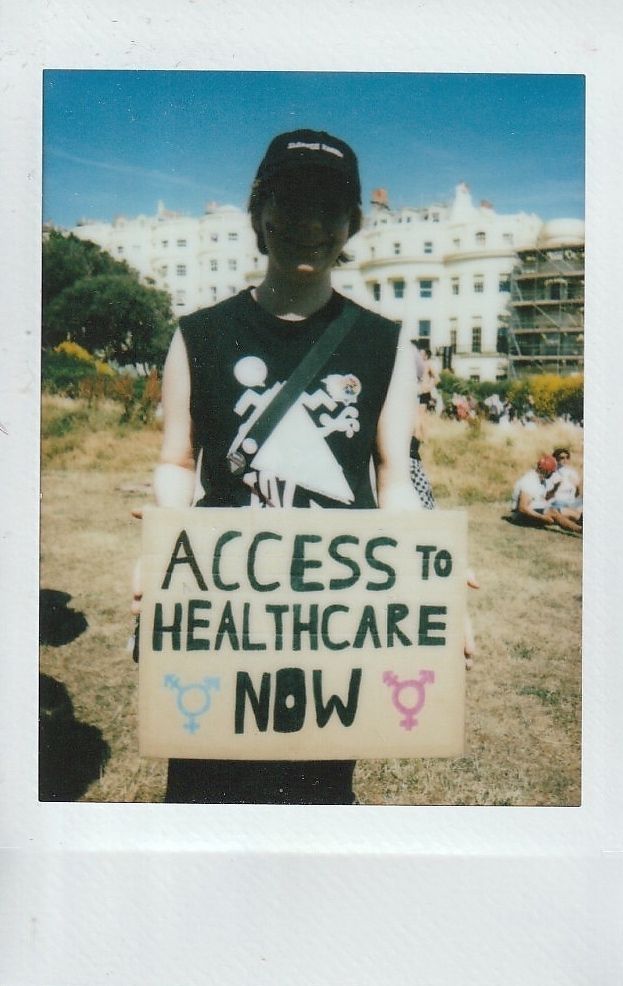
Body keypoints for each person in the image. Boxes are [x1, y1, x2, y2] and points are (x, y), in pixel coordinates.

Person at [136, 129, 446, 805]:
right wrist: (159, 554)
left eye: (330, 207)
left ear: (352, 224)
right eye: (291, 201)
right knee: (202, 797)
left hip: (331, 616)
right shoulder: (199, 335)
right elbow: (176, 460)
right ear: (260, 212)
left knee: (316, 797)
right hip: (220, 610)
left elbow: (394, 482)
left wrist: (429, 586)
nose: (310, 223)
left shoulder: (385, 345)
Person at [511, 455, 582, 533]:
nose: (553, 473)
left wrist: (556, 487)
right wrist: (542, 517)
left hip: (537, 509)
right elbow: (523, 508)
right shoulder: (529, 480)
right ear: (546, 470)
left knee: (570, 512)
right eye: (552, 471)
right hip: (522, 516)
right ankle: (580, 530)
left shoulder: (542, 479)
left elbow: (545, 498)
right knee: (553, 512)